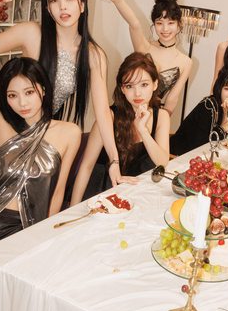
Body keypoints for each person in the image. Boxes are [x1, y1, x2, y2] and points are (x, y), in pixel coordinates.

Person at [0, 0, 122, 185]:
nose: (62, 7)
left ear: (82, 5)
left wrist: (114, 160)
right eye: (54, 0)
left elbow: (103, 112)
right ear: (48, 8)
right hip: (1, 129)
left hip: (39, 135)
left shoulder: (93, 55)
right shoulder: (32, 33)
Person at [0, 0, 81, 247]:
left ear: (43, 89)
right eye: (12, 95)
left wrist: (44, 238)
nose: (22, 103)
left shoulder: (69, 133)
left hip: (30, 232)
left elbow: (57, 191)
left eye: (29, 92)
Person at [71, 52, 170, 203]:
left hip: (140, 193)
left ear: (155, 84)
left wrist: (143, 130)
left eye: (144, 84)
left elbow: (162, 161)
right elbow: (87, 166)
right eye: (129, 86)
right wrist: (73, 208)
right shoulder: (108, 117)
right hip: (105, 191)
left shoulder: (161, 116)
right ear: (122, 89)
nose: (137, 93)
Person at [103, 0, 192, 115]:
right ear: (154, 25)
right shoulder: (145, 47)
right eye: (159, 23)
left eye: (171, 23)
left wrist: (162, 121)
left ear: (179, 25)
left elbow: (173, 98)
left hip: (151, 114)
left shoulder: (186, 62)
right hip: (125, 110)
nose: (165, 29)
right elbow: (134, 24)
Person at [170, 68, 228, 156]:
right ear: (219, 88)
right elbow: (201, 144)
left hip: (210, 157)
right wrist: (224, 127)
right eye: (227, 89)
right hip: (180, 156)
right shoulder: (208, 106)